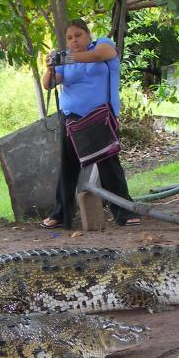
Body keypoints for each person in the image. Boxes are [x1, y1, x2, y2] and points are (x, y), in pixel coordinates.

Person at [40, 19, 140, 229]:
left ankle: (124, 212)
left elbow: (97, 56)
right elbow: (49, 83)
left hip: (99, 117)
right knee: (68, 167)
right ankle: (61, 215)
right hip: (72, 118)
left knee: (108, 165)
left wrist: (64, 57)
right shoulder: (66, 61)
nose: (74, 40)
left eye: (78, 35)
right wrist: (50, 68)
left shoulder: (103, 45)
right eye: (69, 38)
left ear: (88, 34)